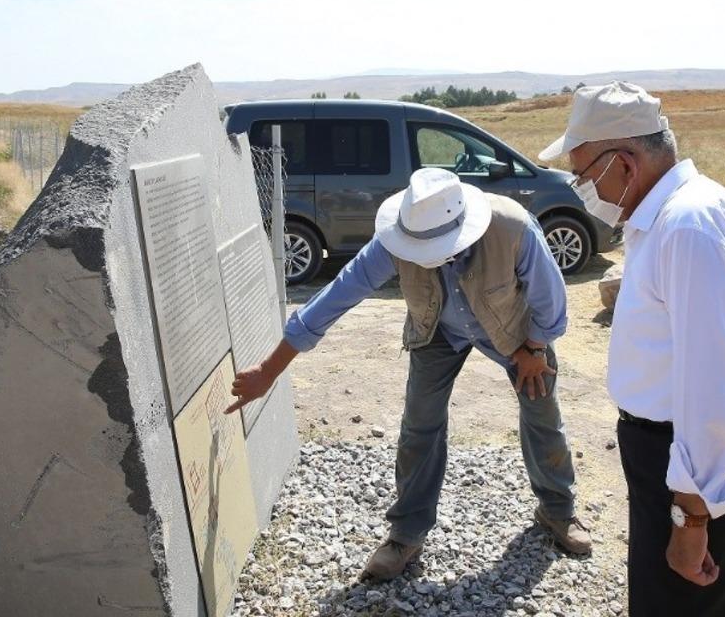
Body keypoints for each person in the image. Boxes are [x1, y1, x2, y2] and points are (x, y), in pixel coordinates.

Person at [225, 167, 591, 580]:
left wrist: (535, 348)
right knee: (420, 424)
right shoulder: (393, 241)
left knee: (542, 412)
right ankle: (406, 533)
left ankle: (558, 511)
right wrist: (270, 371)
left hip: (519, 333)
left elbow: (552, 299)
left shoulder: (512, 227)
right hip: (436, 328)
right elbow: (336, 296)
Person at [540, 82, 725, 616]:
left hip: (700, 462)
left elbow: (714, 382)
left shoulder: (687, 227)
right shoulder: (671, 213)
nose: (581, 187)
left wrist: (691, 517)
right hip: (686, 457)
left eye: (584, 173)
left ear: (623, 162)